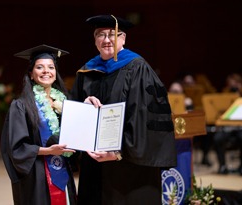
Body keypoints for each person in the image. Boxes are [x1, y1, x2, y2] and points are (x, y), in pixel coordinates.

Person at [71, 14, 177, 205]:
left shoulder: (138, 68)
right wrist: (83, 108)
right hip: (94, 163)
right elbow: (75, 114)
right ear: (95, 40)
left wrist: (118, 152)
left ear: (123, 38)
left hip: (129, 165)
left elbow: (145, 118)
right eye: (100, 35)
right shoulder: (86, 71)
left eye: (113, 34)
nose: (106, 40)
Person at [0, 44, 77, 205]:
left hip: (63, 167)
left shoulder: (64, 103)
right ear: (31, 74)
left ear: (56, 74)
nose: (46, 71)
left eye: (51, 67)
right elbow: (16, 147)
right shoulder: (21, 105)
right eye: (39, 67)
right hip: (37, 173)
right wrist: (47, 151)